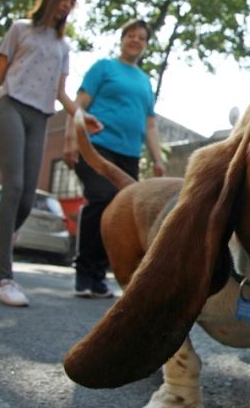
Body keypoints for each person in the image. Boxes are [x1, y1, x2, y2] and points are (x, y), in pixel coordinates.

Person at [0, 0, 101, 308]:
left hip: (40, 117)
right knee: (12, 187)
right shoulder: (20, 29)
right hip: (12, 107)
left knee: (27, 199)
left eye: (73, 1)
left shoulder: (63, 47)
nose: (67, 5)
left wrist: (81, 116)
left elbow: (60, 93)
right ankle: (5, 278)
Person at [63, 19, 165, 299]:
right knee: (102, 198)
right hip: (96, 148)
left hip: (129, 155)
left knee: (123, 212)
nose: (135, 40)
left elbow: (150, 124)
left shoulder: (145, 81)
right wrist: (71, 141)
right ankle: (84, 270)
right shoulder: (103, 68)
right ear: (122, 40)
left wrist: (157, 158)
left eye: (141, 38)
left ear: (145, 46)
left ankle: (99, 275)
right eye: (130, 35)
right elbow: (79, 105)